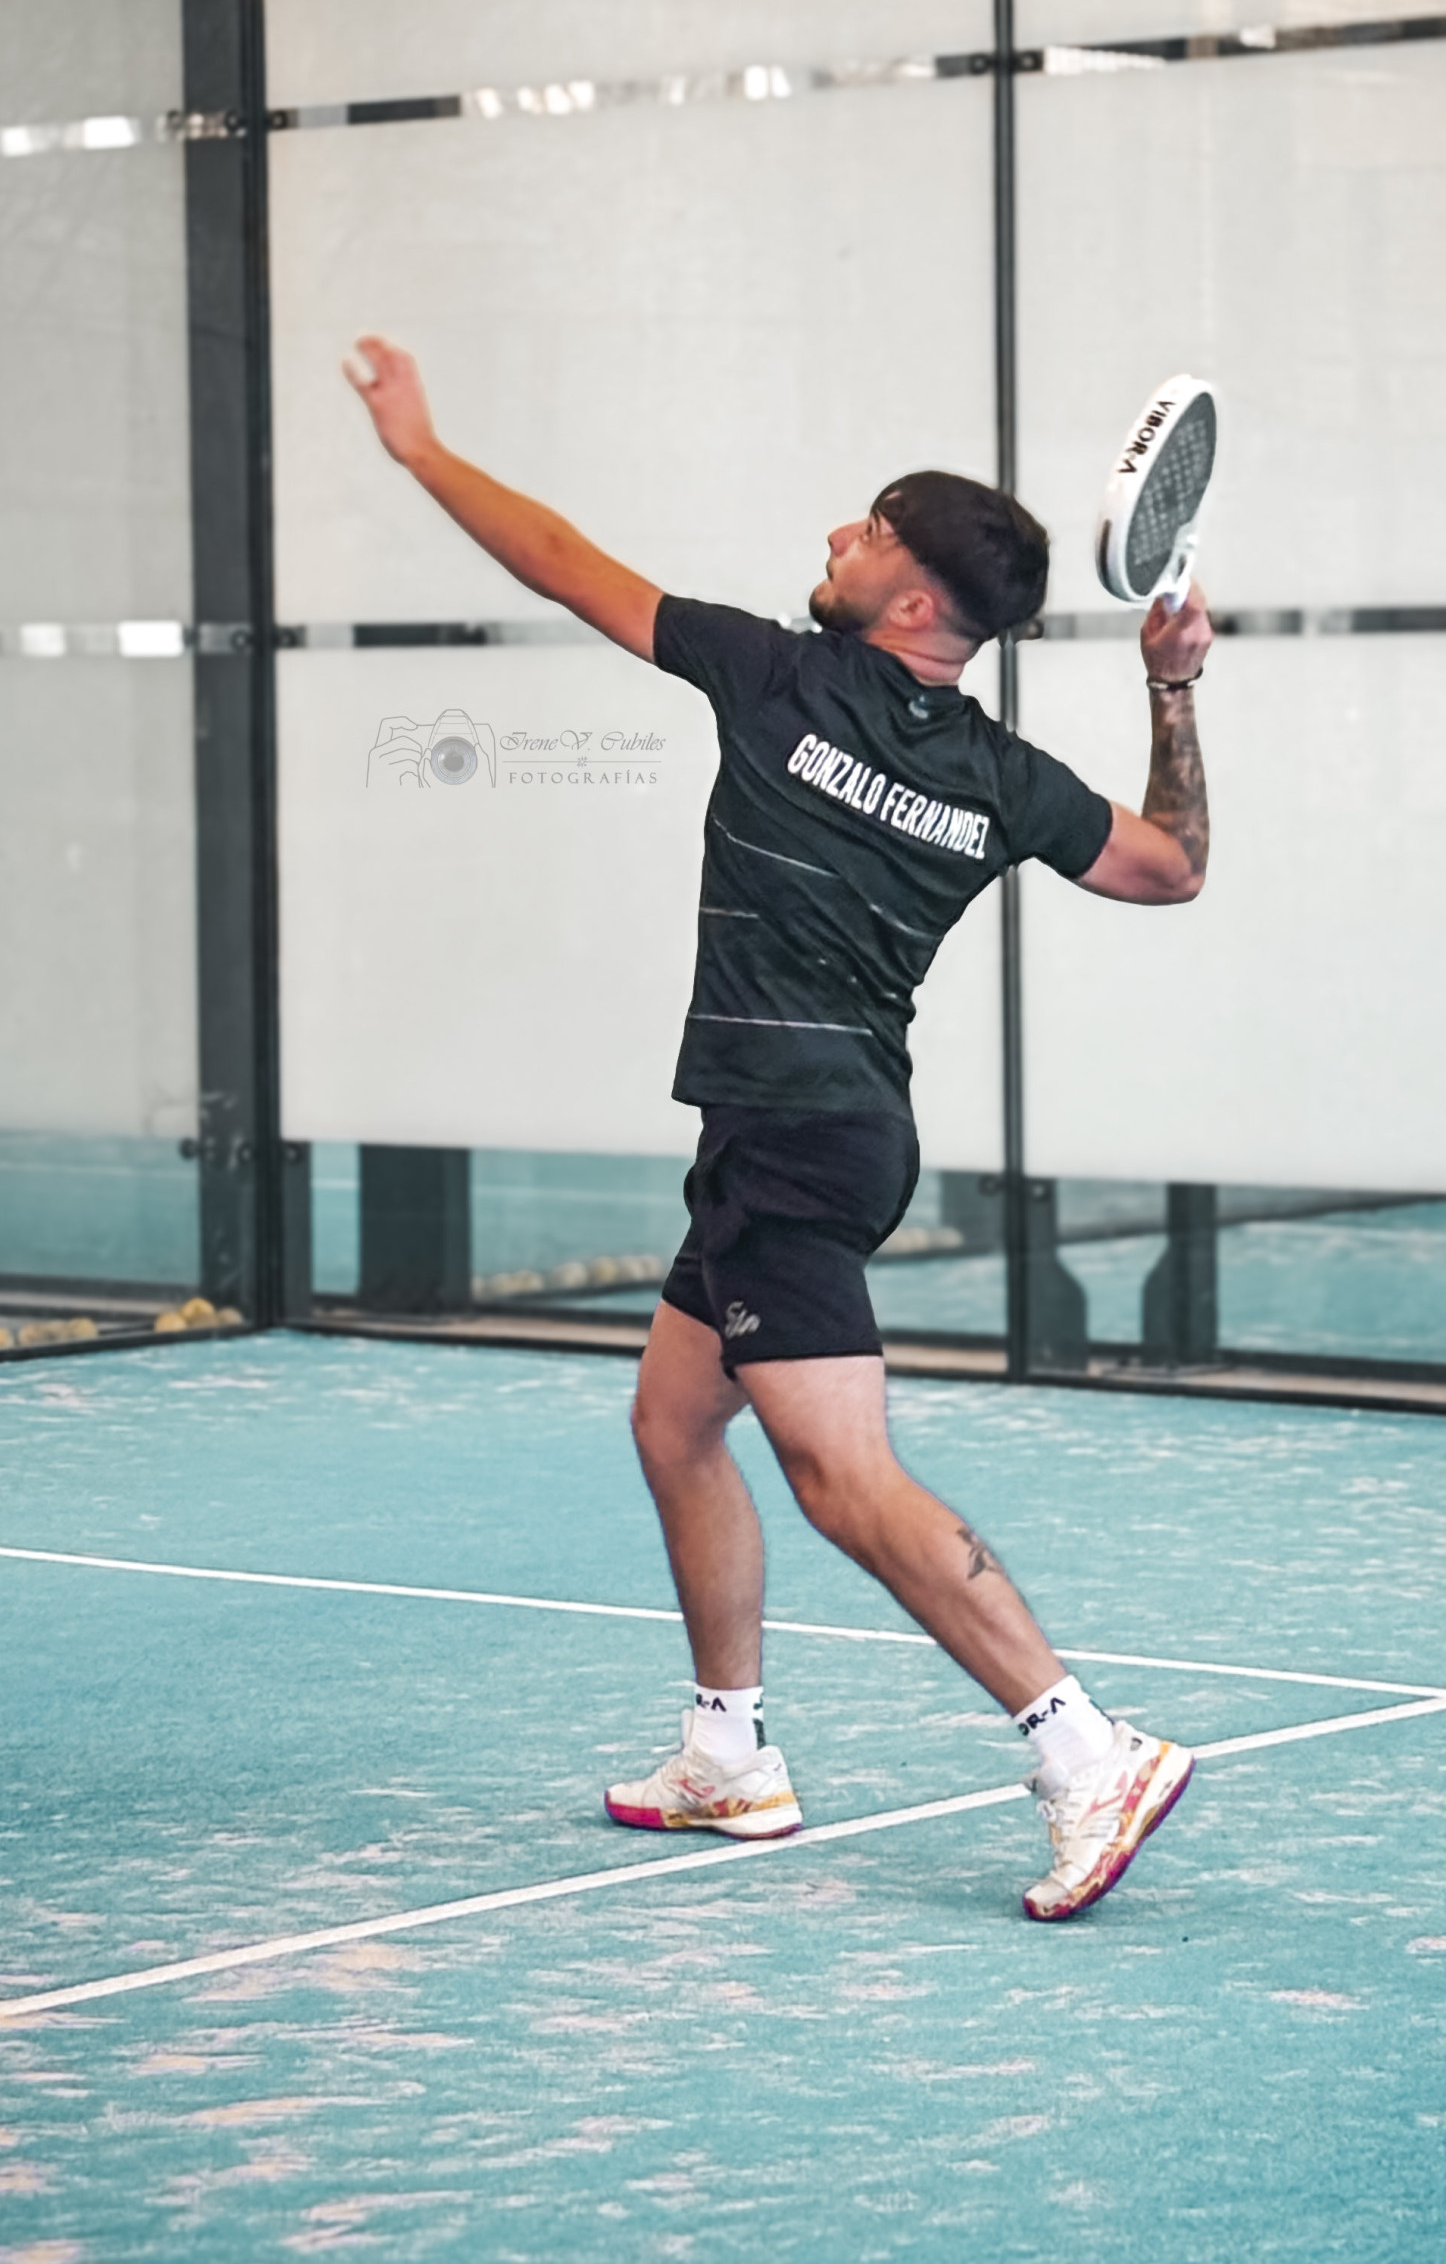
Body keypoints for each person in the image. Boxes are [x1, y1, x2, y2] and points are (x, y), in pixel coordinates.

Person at [344, 337, 1212, 1920]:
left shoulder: (775, 675)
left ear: (912, 597)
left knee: (840, 1474)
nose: (836, 536)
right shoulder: (1002, 777)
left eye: (866, 528)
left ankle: (1087, 1751)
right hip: (809, 1132)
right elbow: (1172, 866)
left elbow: (564, 563)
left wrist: (421, 449)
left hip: (798, 1138)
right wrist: (1171, 687)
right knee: (676, 1422)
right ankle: (727, 1750)